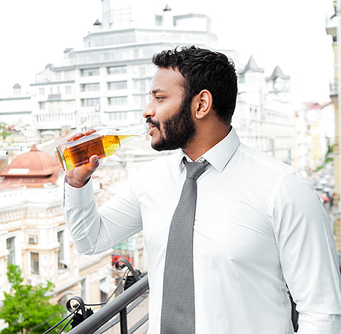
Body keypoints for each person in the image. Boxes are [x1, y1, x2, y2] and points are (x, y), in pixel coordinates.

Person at [62, 46, 341, 333]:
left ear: (201, 104)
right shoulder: (150, 179)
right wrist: (76, 183)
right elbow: (90, 239)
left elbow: (321, 311)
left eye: (159, 98)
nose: (147, 111)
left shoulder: (284, 189)